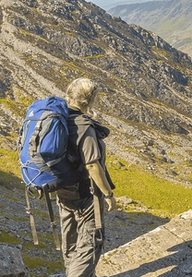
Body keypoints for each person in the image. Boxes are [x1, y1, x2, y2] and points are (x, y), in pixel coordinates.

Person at [56, 78, 116, 277]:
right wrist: (108, 194)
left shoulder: (60, 118)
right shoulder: (83, 126)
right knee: (91, 243)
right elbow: (92, 164)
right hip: (85, 193)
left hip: (63, 190)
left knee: (71, 241)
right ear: (89, 100)